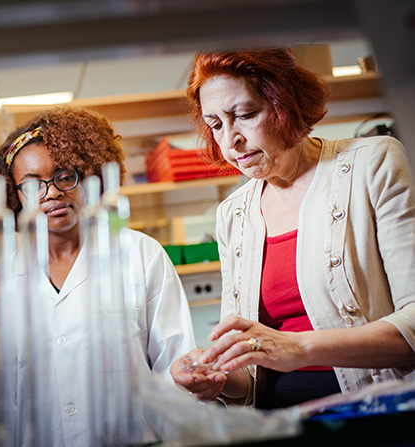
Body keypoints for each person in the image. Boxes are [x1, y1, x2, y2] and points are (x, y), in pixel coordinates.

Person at [170, 48, 415, 410]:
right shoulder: (233, 214)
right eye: (216, 124)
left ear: (286, 104)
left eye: (245, 115)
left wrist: (299, 348)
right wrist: (217, 376)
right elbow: (249, 381)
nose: (230, 140)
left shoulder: (372, 163)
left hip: (374, 410)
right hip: (276, 420)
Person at [0, 105, 196, 445]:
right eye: (32, 186)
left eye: (65, 175)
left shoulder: (140, 255)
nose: (52, 193)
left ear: (89, 178)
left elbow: (177, 369)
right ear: (14, 197)